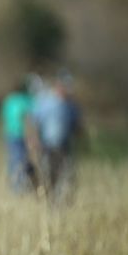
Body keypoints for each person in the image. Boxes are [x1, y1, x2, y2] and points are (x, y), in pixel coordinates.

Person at [27, 71, 82, 204]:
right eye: (64, 86)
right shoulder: (45, 102)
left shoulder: (72, 106)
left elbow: (77, 126)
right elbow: (32, 120)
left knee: (66, 178)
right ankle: (47, 202)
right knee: (48, 177)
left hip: (65, 148)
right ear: (58, 85)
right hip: (47, 147)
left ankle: (60, 204)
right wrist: (33, 139)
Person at [0, 77, 36, 193]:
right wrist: (31, 137)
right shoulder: (27, 100)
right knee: (22, 161)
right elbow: (27, 119)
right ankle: (19, 188)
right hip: (22, 135)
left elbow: (5, 119)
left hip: (10, 134)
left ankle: (16, 186)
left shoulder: (9, 100)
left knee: (14, 160)